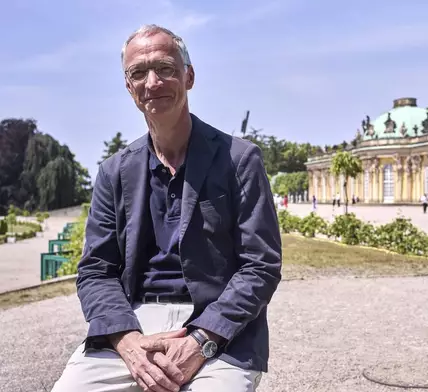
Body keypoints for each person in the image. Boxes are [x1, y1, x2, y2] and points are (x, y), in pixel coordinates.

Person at [51, 24, 282, 392]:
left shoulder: (239, 160)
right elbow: (96, 270)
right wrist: (126, 342)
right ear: (129, 87)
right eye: (138, 73)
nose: (152, 82)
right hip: (132, 323)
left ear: (188, 76)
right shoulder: (114, 173)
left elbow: (261, 265)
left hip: (215, 326)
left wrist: (201, 340)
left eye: (165, 68)